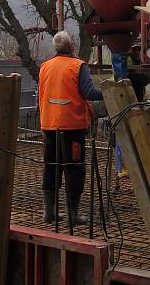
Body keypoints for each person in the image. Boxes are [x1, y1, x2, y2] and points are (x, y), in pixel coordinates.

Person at [38, 31, 103, 226]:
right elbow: (89, 92)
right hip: (72, 128)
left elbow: (40, 95)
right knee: (74, 170)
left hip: (49, 126)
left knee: (51, 168)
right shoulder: (77, 66)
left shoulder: (45, 67)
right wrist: (110, 90)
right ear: (72, 46)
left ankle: (49, 213)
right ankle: (72, 216)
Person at [111, 43, 150, 179]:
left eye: (138, 49)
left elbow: (149, 73)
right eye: (134, 48)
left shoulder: (133, 59)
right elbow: (141, 78)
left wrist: (143, 57)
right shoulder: (124, 61)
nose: (136, 51)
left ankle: (127, 166)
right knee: (124, 135)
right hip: (126, 103)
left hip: (134, 102)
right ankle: (122, 167)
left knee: (131, 135)